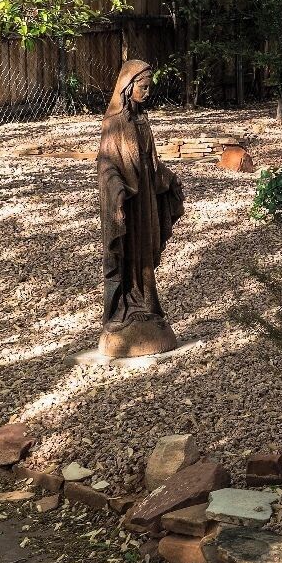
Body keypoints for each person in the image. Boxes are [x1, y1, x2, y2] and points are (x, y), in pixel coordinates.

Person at [96, 58, 183, 358]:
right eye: (142, 87)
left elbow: (152, 163)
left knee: (145, 250)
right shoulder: (114, 123)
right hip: (127, 201)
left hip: (145, 197)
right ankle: (122, 310)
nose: (146, 93)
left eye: (149, 88)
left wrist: (168, 179)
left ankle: (146, 305)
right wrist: (117, 192)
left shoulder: (143, 122)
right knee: (127, 254)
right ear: (128, 87)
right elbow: (106, 165)